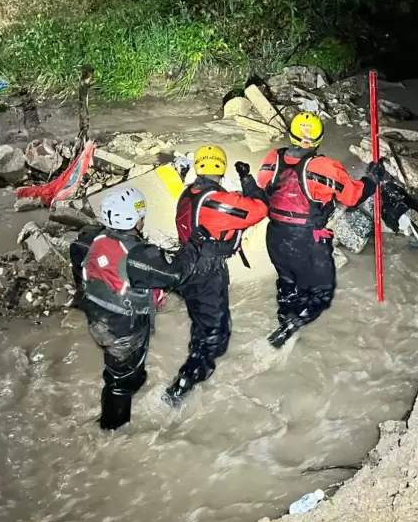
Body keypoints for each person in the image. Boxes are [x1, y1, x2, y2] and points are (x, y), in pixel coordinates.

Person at [70, 186, 200, 431]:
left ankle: (129, 383)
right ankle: (111, 430)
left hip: (98, 318)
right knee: (121, 382)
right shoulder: (139, 256)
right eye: (141, 215)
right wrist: (193, 246)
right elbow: (176, 274)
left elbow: (81, 266)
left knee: (125, 371)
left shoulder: (88, 240)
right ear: (133, 218)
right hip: (124, 329)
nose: (143, 219)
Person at [255, 111, 384, 347]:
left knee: (287, 282)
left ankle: (285, 318)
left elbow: (263, 187)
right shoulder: (324, 166)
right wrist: (372, 179)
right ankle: (293, 326)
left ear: (292, 135)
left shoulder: (272, 158)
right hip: (306, 239)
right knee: (321, 293)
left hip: (275, 235)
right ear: (318, 139)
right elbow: (353, 196)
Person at [164, 144, 268, 407]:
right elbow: (259, 209)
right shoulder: (216, 201)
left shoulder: (190, 193)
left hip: (187, 266)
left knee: (203, 323)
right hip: (206, 271)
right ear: (221, 167)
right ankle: (181, 387)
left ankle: (197, 358)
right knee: (216, 335)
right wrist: (247, 179)